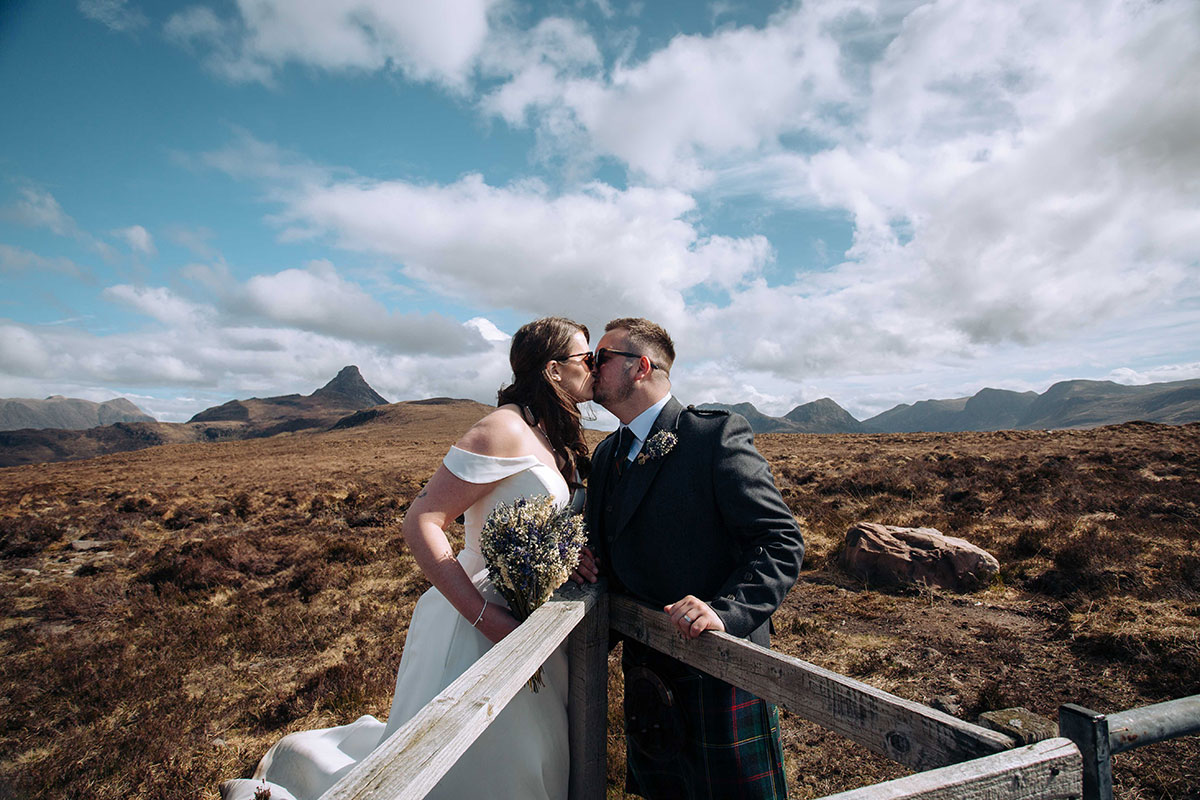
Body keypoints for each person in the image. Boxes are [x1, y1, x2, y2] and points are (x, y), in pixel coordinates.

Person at [221, 317, 595, 800]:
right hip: (479, 622)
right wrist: (485, 617)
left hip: (529, 620)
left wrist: (567, 552)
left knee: (532, 756)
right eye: (586, 358)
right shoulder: (502, 428)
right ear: (553, 369)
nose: (595, 367)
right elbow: (420, 521)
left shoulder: (548, 435)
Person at [580, 317, 804, 800]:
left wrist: (725, 613)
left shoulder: (712, 437)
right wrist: (581, 557)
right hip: (646, 663)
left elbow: (780, 541)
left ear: (640, 367)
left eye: (601, 358)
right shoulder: (605, 455)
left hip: (718, 663)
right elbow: (608, 542)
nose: (590, 368)